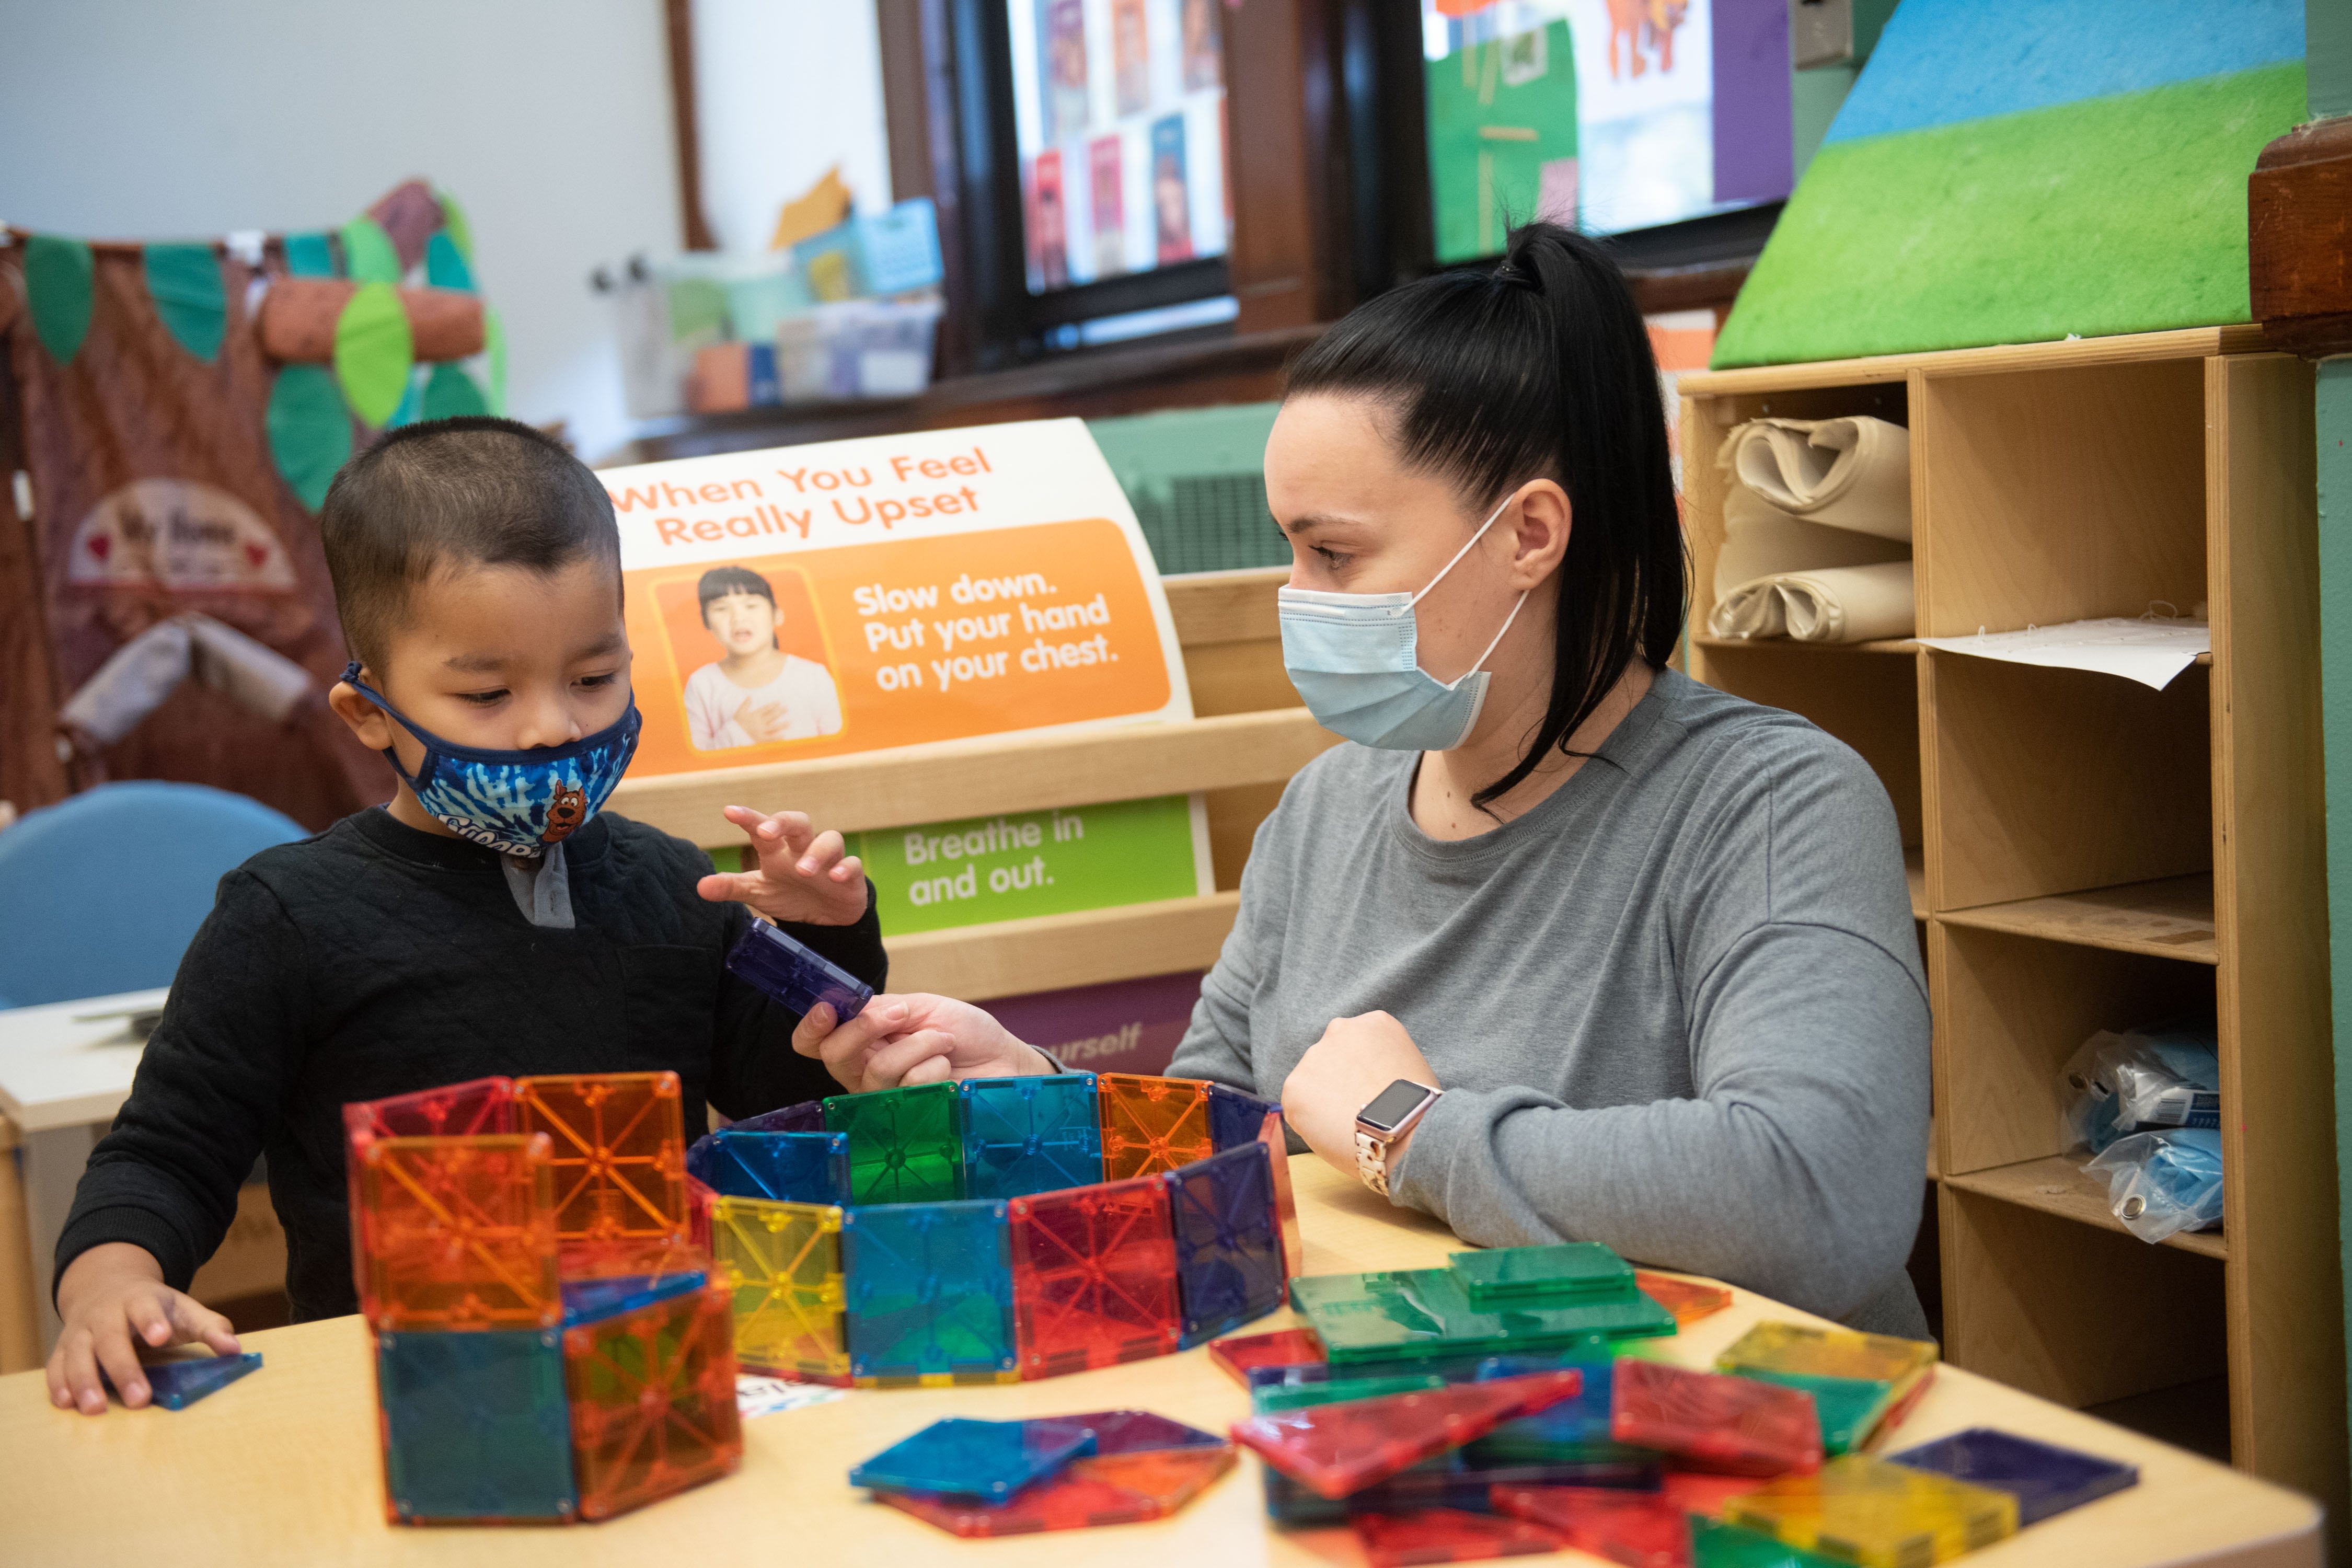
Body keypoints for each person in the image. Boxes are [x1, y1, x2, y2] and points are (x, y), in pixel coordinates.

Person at [791, 223, 1932, 1335]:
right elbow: (1224, 1134)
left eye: (1333, 554)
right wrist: (1029, 1094)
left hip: (1734, 1446)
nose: (1299, 596)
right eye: (1293, 549)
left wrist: (1405, 1126)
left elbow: (1823, 1194)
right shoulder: (1325, 810)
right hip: (1436, 1412)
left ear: (1529, 532)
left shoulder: (1772, 802)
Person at [45, 417, 882, 1414]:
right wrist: (110, 1287)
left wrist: (826, 936)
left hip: (646, 1384)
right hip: (410, 1407)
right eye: (487, 692)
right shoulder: (288, 915)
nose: (552, 727)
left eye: (592, 677)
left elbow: (784, 1096)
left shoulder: (672, 883)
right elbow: (165, 1153)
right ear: (369, 715)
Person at [682, 564, 845, 748]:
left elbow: (837, 746)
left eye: (751, 606)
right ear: (706, 622)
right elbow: (699, 761)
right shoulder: (702, 684)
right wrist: (739, 732)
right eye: (722, 609)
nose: (738, 617)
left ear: (777, 615)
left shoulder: (813, 675)